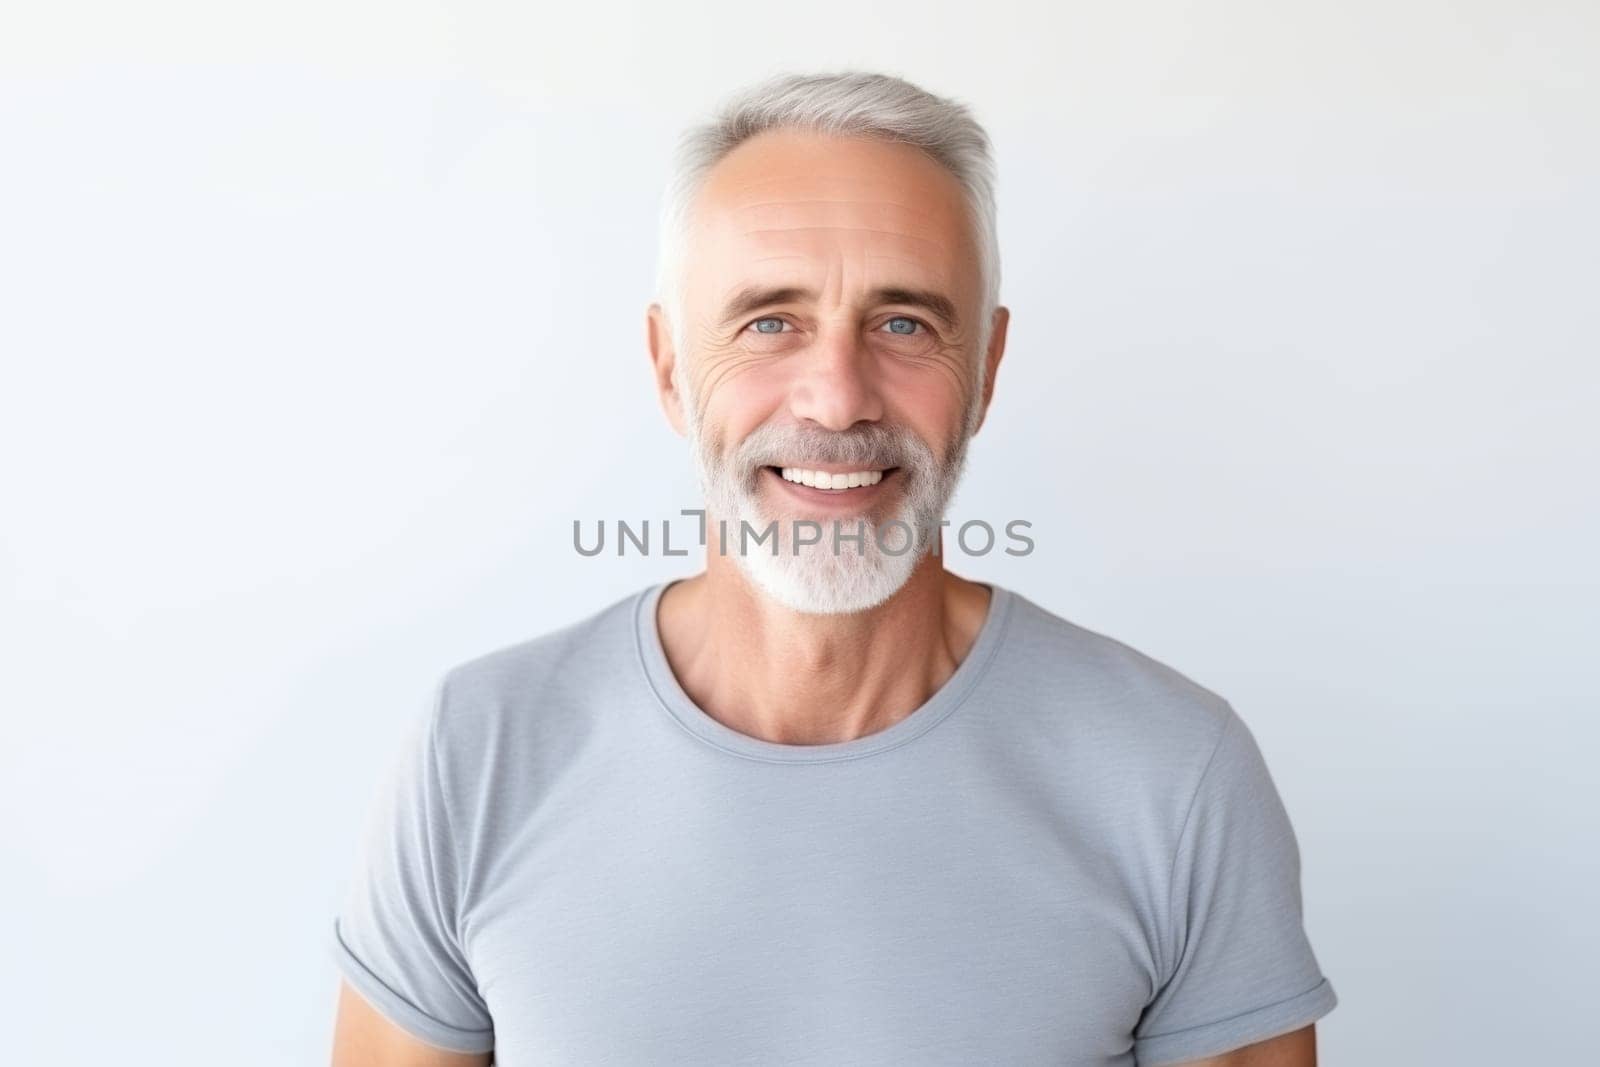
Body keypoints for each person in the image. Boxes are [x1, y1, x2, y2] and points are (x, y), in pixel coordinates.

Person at [327, 71, 1338, 1066]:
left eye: (904, 323)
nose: (838, 398)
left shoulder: (1170, 771)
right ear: (670, 365)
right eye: (771, 320)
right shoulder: (479, 750)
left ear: (984, 369)